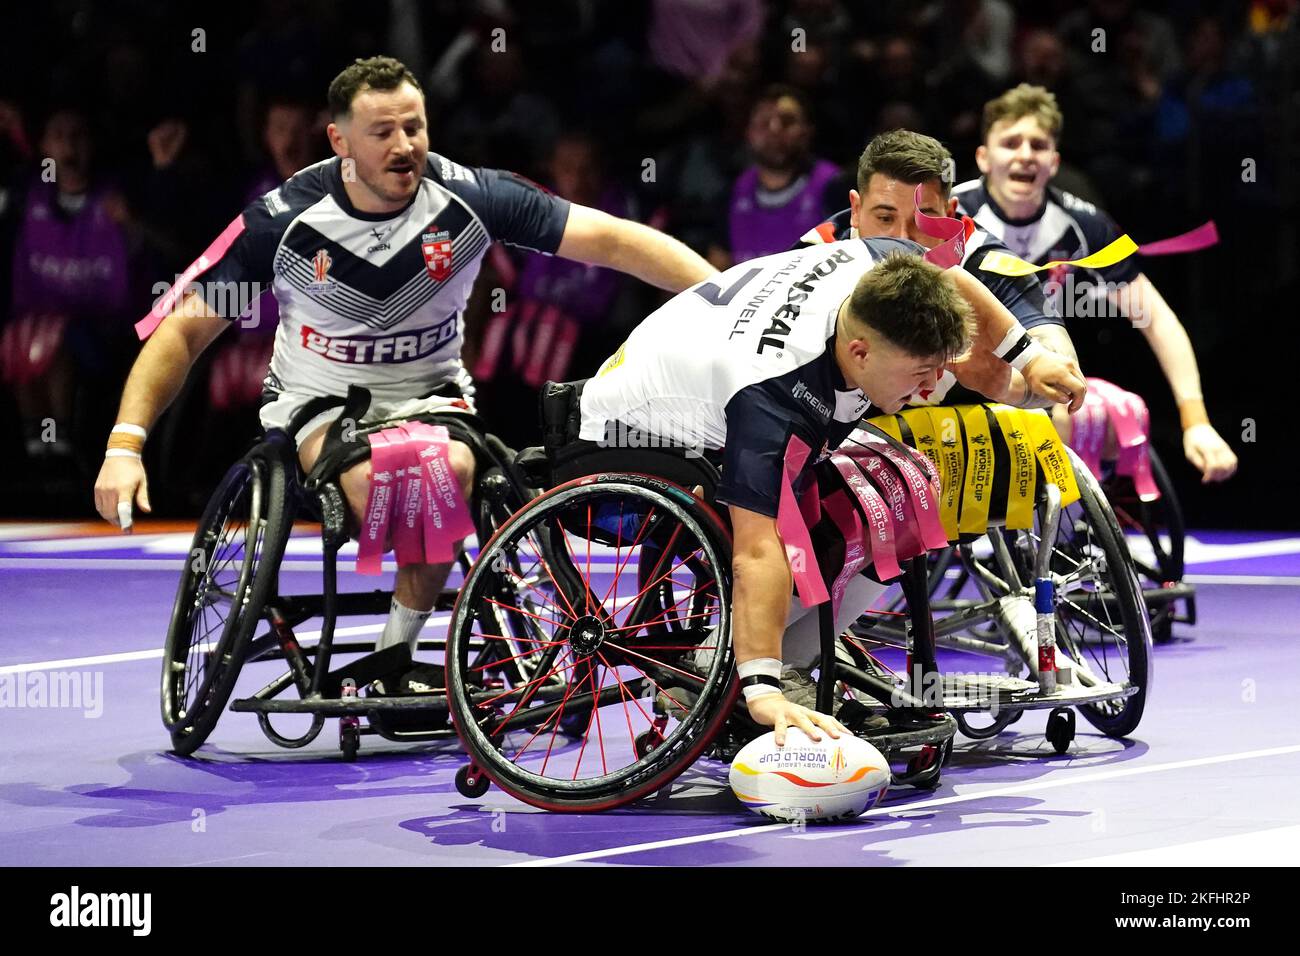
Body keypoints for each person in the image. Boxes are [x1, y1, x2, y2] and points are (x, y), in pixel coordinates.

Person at [93, 56, 716, 692]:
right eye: (382, 132)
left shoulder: (471, 197)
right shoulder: (282, 223)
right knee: (424, 478)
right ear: (339, 140)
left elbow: (615, 241)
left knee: (447, 469)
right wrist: (125, 443)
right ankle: (402, 649)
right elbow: (184, 332)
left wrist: (727, 294)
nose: (403, 147)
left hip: (435, 402)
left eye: (414, 128)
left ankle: (397, 651)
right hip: (322, 409)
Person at [579, 237, 1084, 744]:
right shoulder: (772, 399)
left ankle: (795, 654)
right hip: (634, 455)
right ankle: (730, 672)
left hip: (693, 374)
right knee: (852, 510)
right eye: (917, 374)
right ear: (860, 351)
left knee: (909, 484)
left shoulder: (878, 267)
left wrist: (1029, 356)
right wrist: (763, 690)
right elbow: (759, 551)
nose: (931, 388)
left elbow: (950, 279)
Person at [953, 83, 1237, 482]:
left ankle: (1065, 529)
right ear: (983, 157)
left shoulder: (1086, 226)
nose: (1024, 155)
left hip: (1034, 379)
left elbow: (1157, 320)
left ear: (1054, 162)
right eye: (1010, 142)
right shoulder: (949, 214)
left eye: (1038, 145)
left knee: (1108, 413)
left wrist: (1196, 421)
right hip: (953, 375)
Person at [793, 128, 1080, 410]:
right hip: (850, 437)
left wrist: (1007, 386)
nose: (902, 240)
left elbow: (1063, 374)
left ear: (951, 213)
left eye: (924, 220)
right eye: (884, 218)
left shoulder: (983, 261)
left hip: (959, 434)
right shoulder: (816, 255)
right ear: (856, 209)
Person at [718, 85, 842, 268]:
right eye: (764, 122)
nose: (775, 130)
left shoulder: (837, 188)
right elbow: (714, 275)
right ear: (748, 132)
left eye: (787, 121)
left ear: (807, 131)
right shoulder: (730, 194)